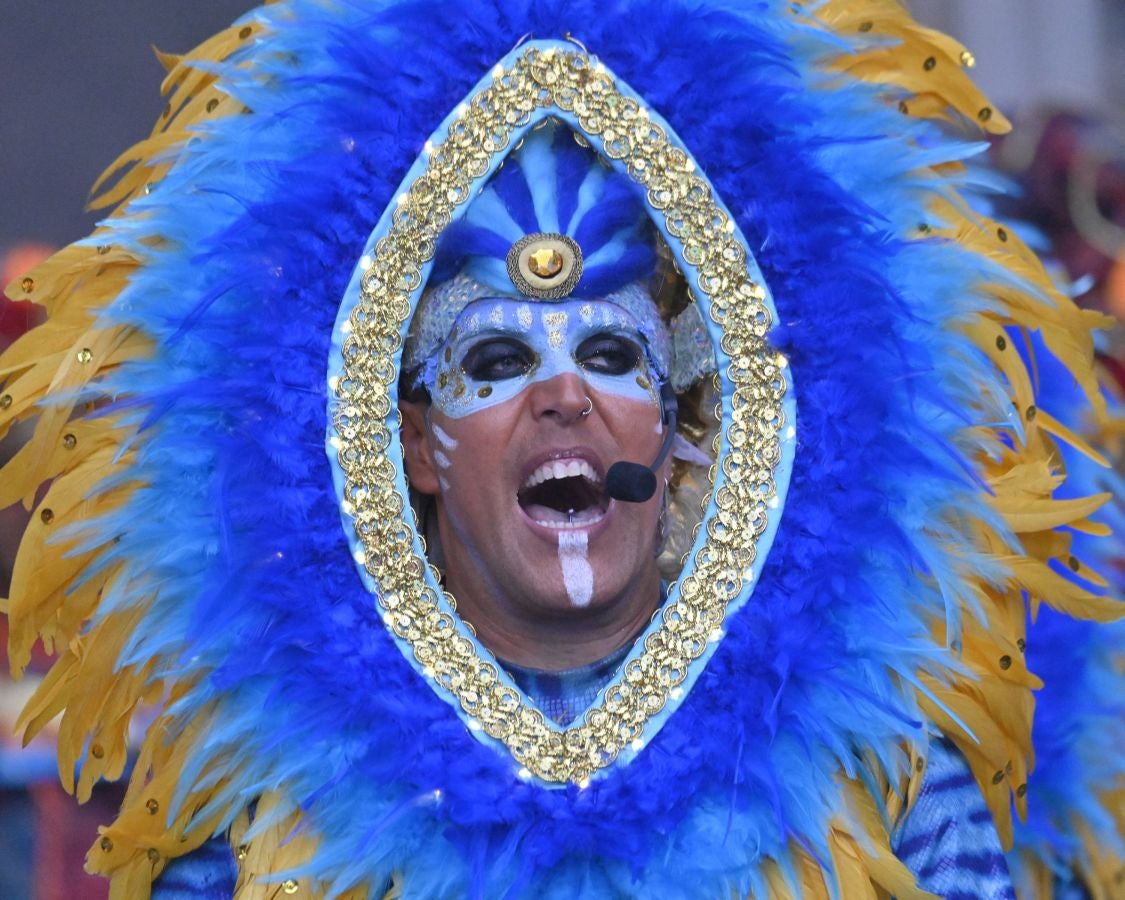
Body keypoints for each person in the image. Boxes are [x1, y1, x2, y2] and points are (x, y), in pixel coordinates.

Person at [3, 2, 1120, 898]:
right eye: (495, 361)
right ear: (414, 448)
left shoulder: (884, 786)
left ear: (676, 432)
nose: (564, 397)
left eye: (612, 355)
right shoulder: (259, 814)